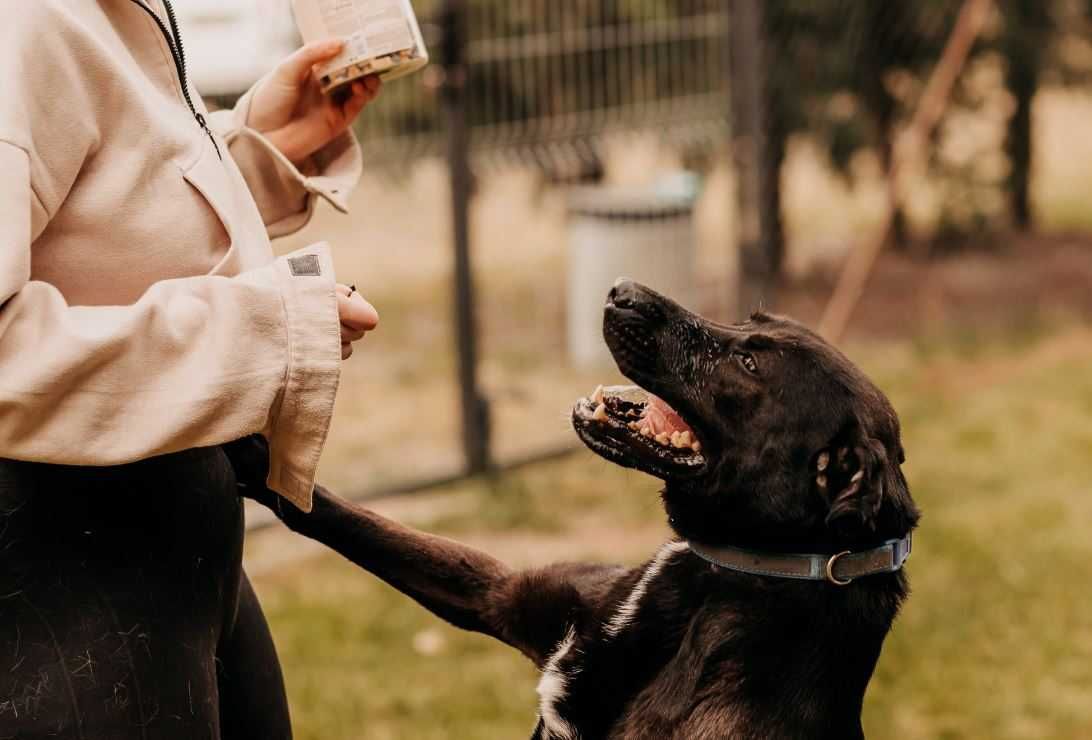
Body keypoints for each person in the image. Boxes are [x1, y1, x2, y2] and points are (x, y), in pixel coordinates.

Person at [0, 1, 379, 737]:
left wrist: (257, 153)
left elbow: (92, 224)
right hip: (54, 594)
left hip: (161, 561)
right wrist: (261, 332)